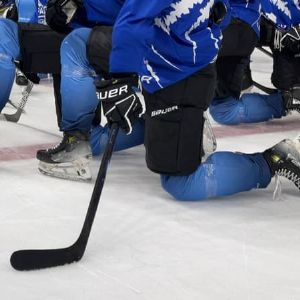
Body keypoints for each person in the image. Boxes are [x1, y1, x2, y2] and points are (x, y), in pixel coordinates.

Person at [38, 0, 300, 200]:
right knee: (77, 45)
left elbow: (134, 20)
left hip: (179, 74)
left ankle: (275, 159)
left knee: (182, 183)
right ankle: (78, 141)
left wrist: (120, 79)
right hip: (162, 56)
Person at [209, 0, 300, 125]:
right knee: (223, 110)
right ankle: (287, 100)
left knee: (223, 110)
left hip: (223, 29)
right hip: (248, 29)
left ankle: (286, 99)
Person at [0, 0, 65, 127]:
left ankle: (78, 133)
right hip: (49, 38)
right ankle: (72, 134)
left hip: (75, 41)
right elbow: (38, 18)